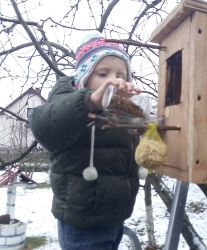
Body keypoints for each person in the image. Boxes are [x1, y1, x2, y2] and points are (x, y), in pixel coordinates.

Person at [29, 32, 141, 250]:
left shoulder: (119, 116)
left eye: (122, 75)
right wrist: (89, 101)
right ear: (83, 78)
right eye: (103, 73)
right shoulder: (69, 103)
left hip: (115, 216)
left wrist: (141, 126)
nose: (115, 80)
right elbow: (44, 125)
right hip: (82, 220)